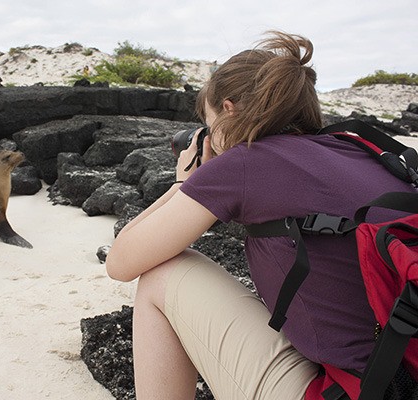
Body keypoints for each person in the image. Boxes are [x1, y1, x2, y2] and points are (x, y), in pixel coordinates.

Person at [105, 31, 416, 399]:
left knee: (161, 274)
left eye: (209, 122)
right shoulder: (361, 149)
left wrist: (183, 185)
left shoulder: (245, 163)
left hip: (359, 390)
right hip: (403, 371)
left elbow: (120, 263)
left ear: (230, 109)